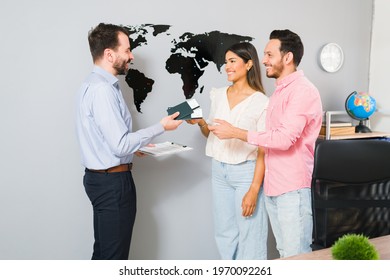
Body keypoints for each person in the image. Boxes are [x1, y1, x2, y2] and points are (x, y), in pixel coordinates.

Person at [209, 30, 323, 258]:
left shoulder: (302, 91)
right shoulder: (280, 92)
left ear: (287, 57)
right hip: (273, 187)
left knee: (296, 256)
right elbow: (269, 139)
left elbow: (283, 138)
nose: (264, 60)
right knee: (284, 253)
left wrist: (236, 132)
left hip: (291, 189)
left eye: (269, 54)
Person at [75, 23, 182, 260]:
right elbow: (120, 144)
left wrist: (136, 147)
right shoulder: (103, 90)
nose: (131, 56)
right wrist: (161, 127)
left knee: (104, 254)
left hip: (101, 179)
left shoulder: (92, 84)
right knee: (114, 259)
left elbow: (103, 139)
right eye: (127, 50)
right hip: (113, 184)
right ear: (109, 54)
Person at [187, 42, 269, 259]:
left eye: (233, 61)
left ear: (249, 64)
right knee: (225, 234)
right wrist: (202, 123)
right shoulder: (219, 94)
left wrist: (254, 189)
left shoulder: (262, 102)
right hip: (219, 171)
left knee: (250, 235)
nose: (227, 67)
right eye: (226, 62)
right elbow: (213, 133)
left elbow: (264, 148)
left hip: (246, 173)